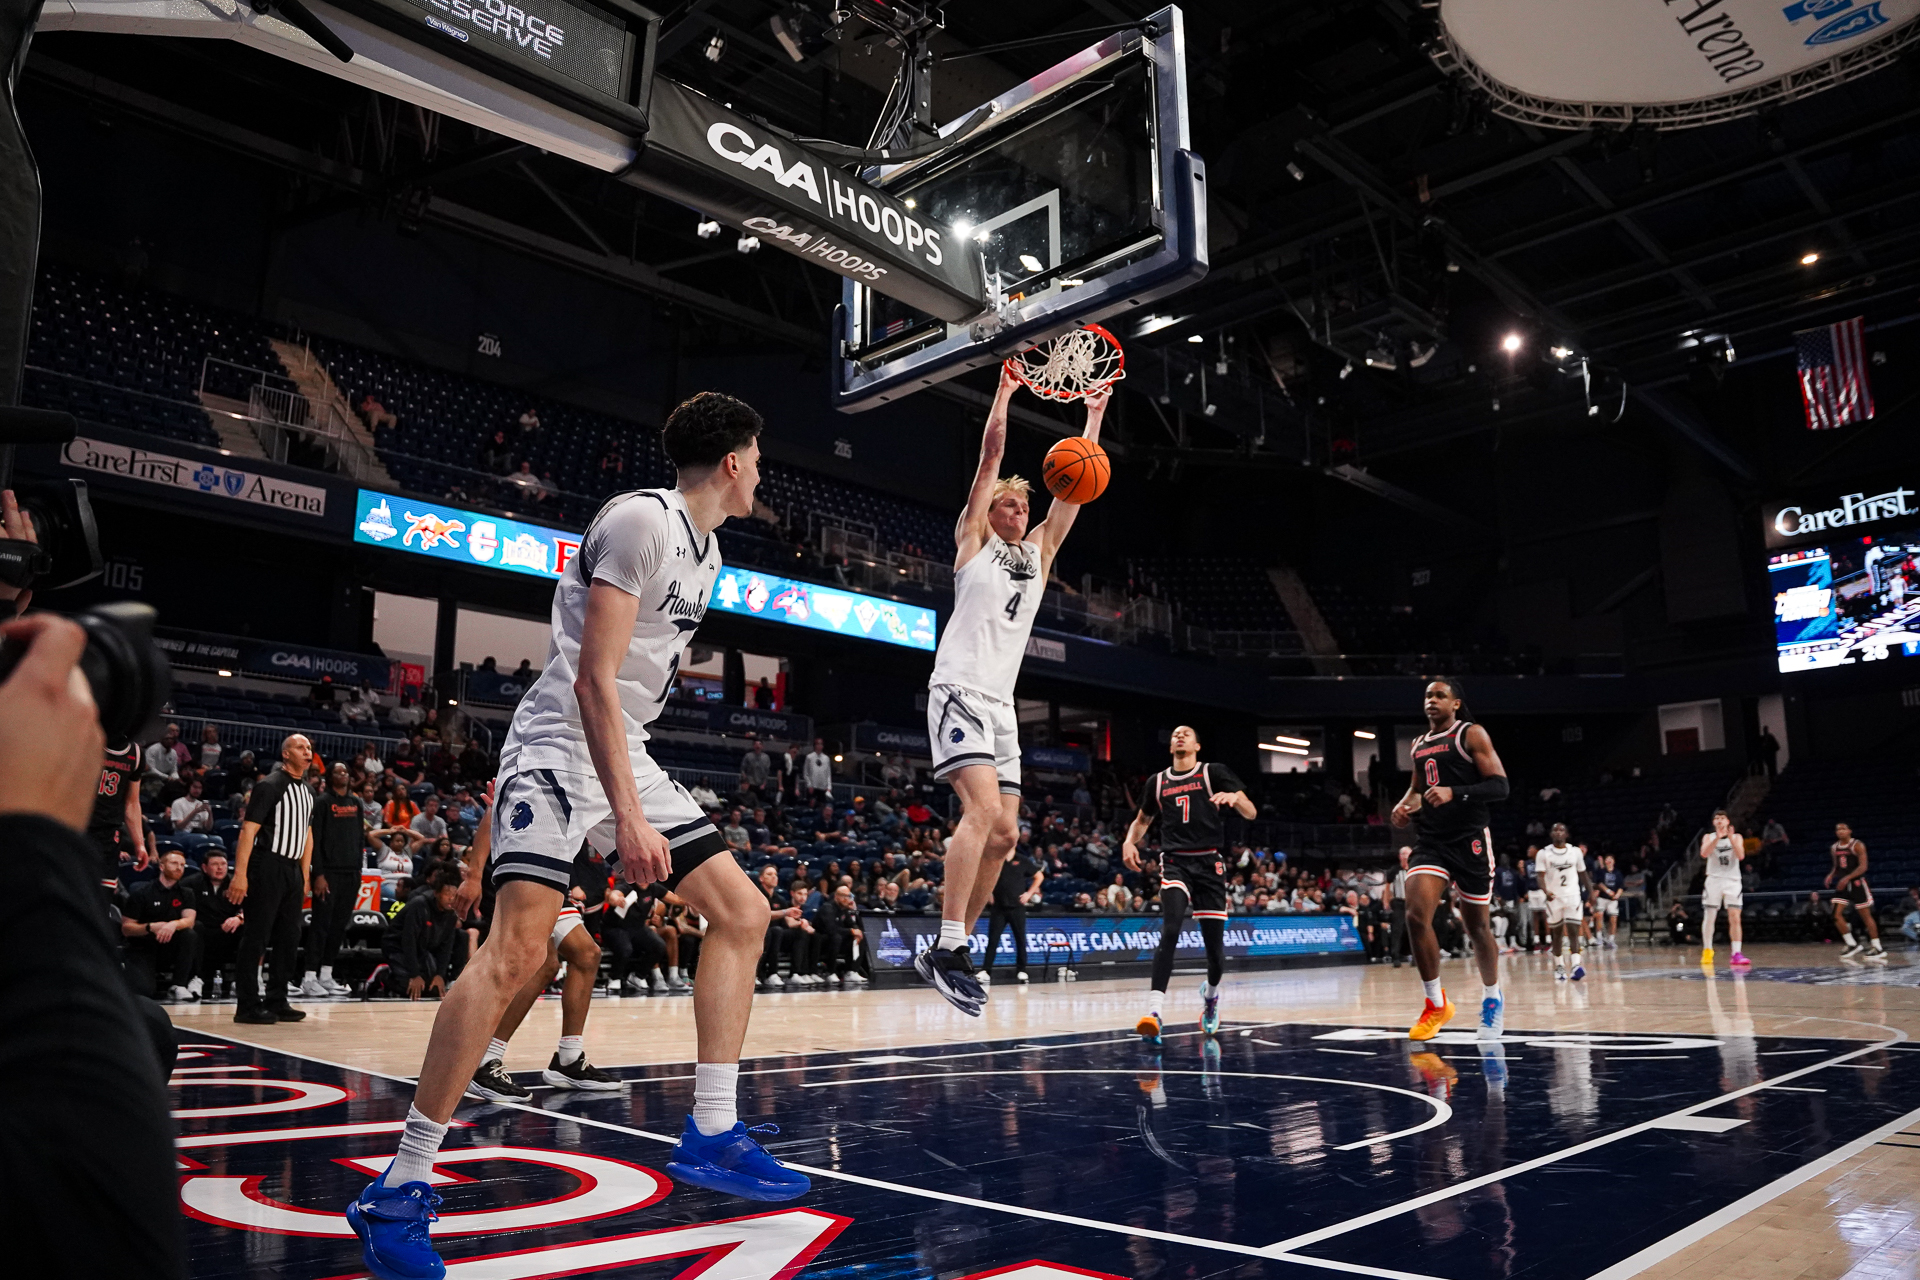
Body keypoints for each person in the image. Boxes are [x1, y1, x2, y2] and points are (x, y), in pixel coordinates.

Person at [348, 392, 805, 1280]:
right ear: (736, 461)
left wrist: (632, 789)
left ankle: (713, 1128)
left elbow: (630, 684)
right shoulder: (642, 519)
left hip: (622, 749)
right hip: (562, 744)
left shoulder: (707, 547)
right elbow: (594, 680)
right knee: (517, 952)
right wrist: (628, 819)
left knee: (744, 914)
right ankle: (397, 1187)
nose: (764, 471)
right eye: (760, 455)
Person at [0, 607, 189, 1278]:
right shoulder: (62, 730)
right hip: (52, 835)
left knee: (147, 1020)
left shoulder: (125, 752)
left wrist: (142, 843)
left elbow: (134, 803)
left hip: (93, 844)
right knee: (136, 1024)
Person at [917, 368, 1108, 1014]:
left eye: (1024, 506)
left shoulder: (1040, 554)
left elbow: (1072, 496)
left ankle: (956, 947)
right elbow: (991, 456)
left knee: (1005, 836)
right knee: (980, 814)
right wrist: (1005, 394)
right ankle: (946, 943)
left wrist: (1094, 419)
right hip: (960, 691)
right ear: (989, 513)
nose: (1019, 511)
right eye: (1008, 504)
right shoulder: (972, 544)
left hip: (1002, 709)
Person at [462, 813, 623, 1100]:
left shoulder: (575, 785)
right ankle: (484, 1061)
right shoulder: (529, 771)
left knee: (585, 955)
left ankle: (568, 1059)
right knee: (543, 963)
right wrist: (474, 876)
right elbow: (491, 815)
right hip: (524, 867)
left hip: (554, 873)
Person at [1390, 679, 1509, 1041]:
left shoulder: (1471, 734)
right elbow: (1416, 789)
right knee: (1414, 914)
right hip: (1432, 842)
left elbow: (1500, 786)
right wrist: (1404, 805)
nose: (1432, 701)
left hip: (1470, 840)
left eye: (1439, 695)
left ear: (1455, 703)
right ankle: (1435, 1002)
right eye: (1428, 695)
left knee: (1478, 928)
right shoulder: (1419, 744)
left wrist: (1455, 792)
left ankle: (1492, 998)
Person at [1123, 725, 1255, 1041]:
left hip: (1210, 864)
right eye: (1174, 734)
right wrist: (1129, 842)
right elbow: (1142, 820)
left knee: (1215, 955)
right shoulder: (1158, 782)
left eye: (1186, 733)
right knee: (1170, 929)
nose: (1179, 736)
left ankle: (1210, 997)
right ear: (1171, 747)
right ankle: (1154, 1011)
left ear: (1197, 744)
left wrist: (1236, 797)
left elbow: (1250, 812)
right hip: (1176, 862)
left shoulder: (1213, 773)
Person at [228, 734, 317, 1024]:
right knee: (257, 936)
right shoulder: (269, 785)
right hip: (267, 864)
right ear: (286, 754)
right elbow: (248, 831)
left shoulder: (307, 790)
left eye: (309, 748)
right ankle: (247, 1004)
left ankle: (277, 999)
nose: (308, 752)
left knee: (289, 937)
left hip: (292, 870)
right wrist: (240, 875)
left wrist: (304, 875)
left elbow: (307, 836)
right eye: (301, 748)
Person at [302, 761, 369, 997]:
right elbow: (315, 841)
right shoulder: (322, 802)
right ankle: (309, 976)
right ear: (329, 777)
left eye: (346, 771)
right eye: (338, 772)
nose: (343, 774)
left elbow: (360, 839)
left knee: (339, 926)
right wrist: (317, 874)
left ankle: (326, 975)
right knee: (321, 925)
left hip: (351, 873)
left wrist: (359, 872)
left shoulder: (356, 803)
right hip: (328, 873)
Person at [122, 850, 201, 1000]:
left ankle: (179, 985)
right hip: (143, 947)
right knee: (144, 991)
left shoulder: (187, 893)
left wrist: (172, 925)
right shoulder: (141, 893)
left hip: (170, 946)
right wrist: (150, 927)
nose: (179, 868)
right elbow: (126, 928)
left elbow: (189, 921)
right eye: (174, 863)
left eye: (183, 865)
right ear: (162, 866)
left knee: (190, 933)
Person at [87, 735, 150, 901]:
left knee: (103, 897)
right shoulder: (89, 737)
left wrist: (139, 844)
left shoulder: (135, 753)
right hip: (78, 825)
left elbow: (132, 803)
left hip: (108, 833)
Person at [1534, 823, 1590, 981]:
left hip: (1572, 896)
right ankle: (1559, 966)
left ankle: (1575, 966)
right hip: (1554, 897)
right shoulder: (1543, 854)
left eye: (1561, 830)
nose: (1558, 832)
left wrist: (1591, 893)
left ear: (1567, 834)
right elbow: (1539, 876)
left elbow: (1583, 874)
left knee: (1574, 931)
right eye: (1555, 830)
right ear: (1551, 834)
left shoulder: (1575, 852)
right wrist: (1546, 891)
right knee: (1557, 934)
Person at [1826, 822, 1887, 960]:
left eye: (1843, 829)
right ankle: (1851, 943)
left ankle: (1877, 947)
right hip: (1843, 884)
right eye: (1837, 829)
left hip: (1857, 884)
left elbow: (1863, 867)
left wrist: (1847, 878)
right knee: (1835, 914)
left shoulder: (1857, 845)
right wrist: (1831, 875)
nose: (1840, 831)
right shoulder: (1834, 847)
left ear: (1850, 831)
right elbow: (1836, 866)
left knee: (1865, 916)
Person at [186, 851, 244, 997]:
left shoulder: (236, 884)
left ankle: (242, 981)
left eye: (223, 864)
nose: (220, 868)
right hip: (203, 932)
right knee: (194, 929)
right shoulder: (190, 884)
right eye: (215, 864)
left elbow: (253, 908)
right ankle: (195, 979)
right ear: (204, 868)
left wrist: (239, 918)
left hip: (228, 931)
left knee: (249, 929)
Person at [1698, 811, 1749, 969]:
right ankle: (1707, 949)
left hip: (1732, 880)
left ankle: (1736, 952)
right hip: (1714, 879)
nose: (1719, 821)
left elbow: (1741, 856)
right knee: (1710, 916)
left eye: (1722, 818)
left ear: (1727, 821)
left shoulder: (1738, 837)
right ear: (1714, 822)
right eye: (1716, 819)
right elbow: (1704, 853)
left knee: (1734, 917)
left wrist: (1731, 839)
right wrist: (1717, 838)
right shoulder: (1708, 837)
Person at [985, 842, 1041, 983]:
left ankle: (1022, 970)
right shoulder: (996, 859)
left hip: (1017, 906)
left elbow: (1039, 876)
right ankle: (986, 971)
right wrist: (987, 893)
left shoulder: (1022, 860)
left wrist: (1029, 894)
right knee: (993, 940)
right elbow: (984, 877)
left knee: (1020, 939)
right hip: (999, 906)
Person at [1594, 852, 1624, 951]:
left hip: (1612, 899)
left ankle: (1611, 939)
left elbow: (1621, 886)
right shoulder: (1601, 871)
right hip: (1602, 897)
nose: (1609, 861)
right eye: (1607, 859)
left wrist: (1617, 895)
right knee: (1599, 916)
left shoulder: (1617, 873)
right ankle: (1599, 937)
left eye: (1611, 859)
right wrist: (1607, 891)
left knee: (1613, 918)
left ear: (1614, 861)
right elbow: (1599, 883)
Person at [801, 737, 834, 803]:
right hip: (813, 786)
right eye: (818, 744)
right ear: (815, 745)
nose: (819, 746)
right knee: (811, 804)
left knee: (822, 806)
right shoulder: (809, 757)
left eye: (821, 744)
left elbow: (828, 773)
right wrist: (809, 785)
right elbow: (805, 773)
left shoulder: (826, 758)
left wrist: (829, 787)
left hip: (823, 787)